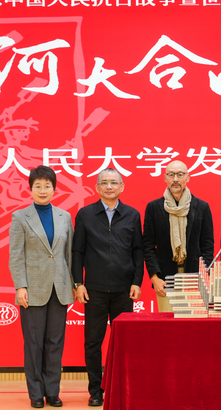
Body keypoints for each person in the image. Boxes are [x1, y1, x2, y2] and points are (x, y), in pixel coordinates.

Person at [72, 168, 144, 407]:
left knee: (124, 343)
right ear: (97, 188)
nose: (109, 186)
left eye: (114, 182)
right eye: (104, 183)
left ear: (122, 187)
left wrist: (137, 282)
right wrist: (78, 283)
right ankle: (96, 390)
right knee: (93, 342)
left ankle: (122, 387)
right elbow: (78, 251)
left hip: (124, 289)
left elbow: (138, 251)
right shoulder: (85, 214)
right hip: (94, 289)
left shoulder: (132, 215)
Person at [8, 165, 75, 409]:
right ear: (31, 189)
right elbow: (16, 255)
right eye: (38, 186)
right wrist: (20, 286)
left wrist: (73, 284)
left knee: (55, 342)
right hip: (32, 289)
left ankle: (52, 392)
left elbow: (69, 254)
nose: (43, 190)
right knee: (34, 343)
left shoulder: (64, 216)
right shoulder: (20, 217)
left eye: (48, 186)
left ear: (55, 189)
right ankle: (36, 393)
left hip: (60, 288)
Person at [143, 160, 214, 312]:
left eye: (180, 174)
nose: (175, 179)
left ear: (188, 177)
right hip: (165, 279)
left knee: (193, 324)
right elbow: (148, 246)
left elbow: (207, 246)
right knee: (167, 325)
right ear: (165, 178)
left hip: (195, 278)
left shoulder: (202, 207)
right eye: (171, 175)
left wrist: (203, 276)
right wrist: (155, 278)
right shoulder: (154, 208)